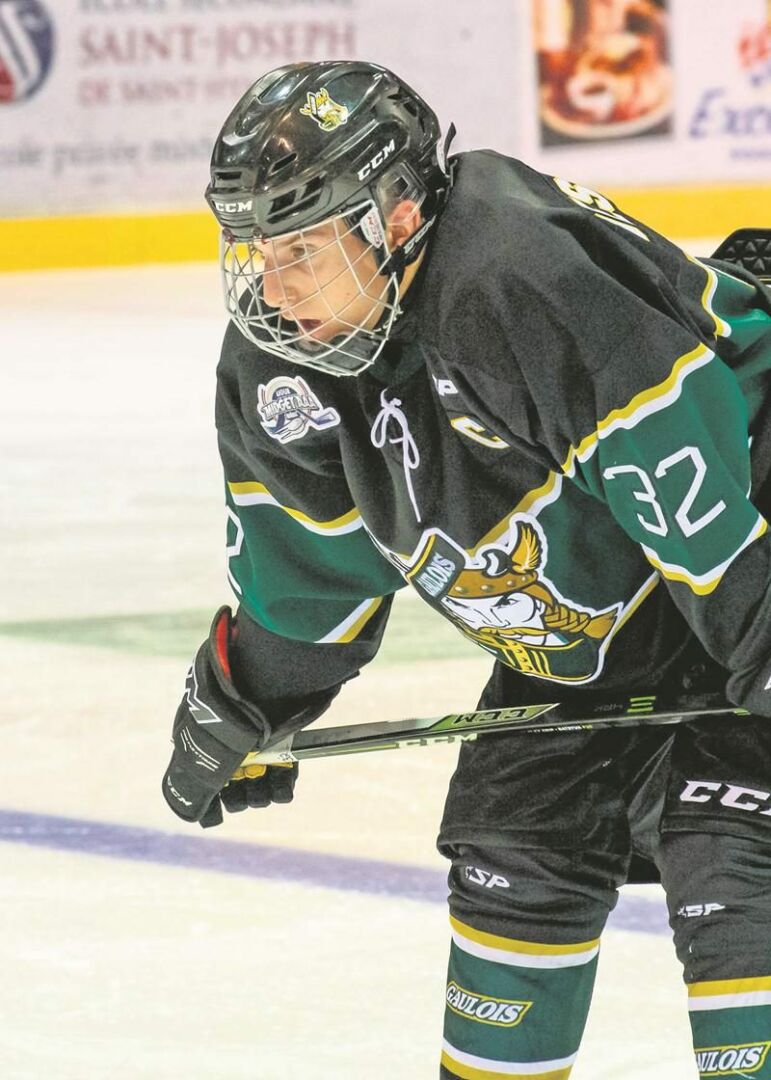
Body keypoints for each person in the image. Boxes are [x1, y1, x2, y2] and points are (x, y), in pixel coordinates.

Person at [161, 59, 771, 1078]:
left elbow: (704, 506)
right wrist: (245, 694)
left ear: (397, 217)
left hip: (745, 556)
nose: (271, 288)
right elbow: (310, 583)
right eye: (257, 250)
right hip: (596, 636)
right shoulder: (281, 367)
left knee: (733, 856)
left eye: (303, 248)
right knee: (514, 850)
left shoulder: (511, 277)